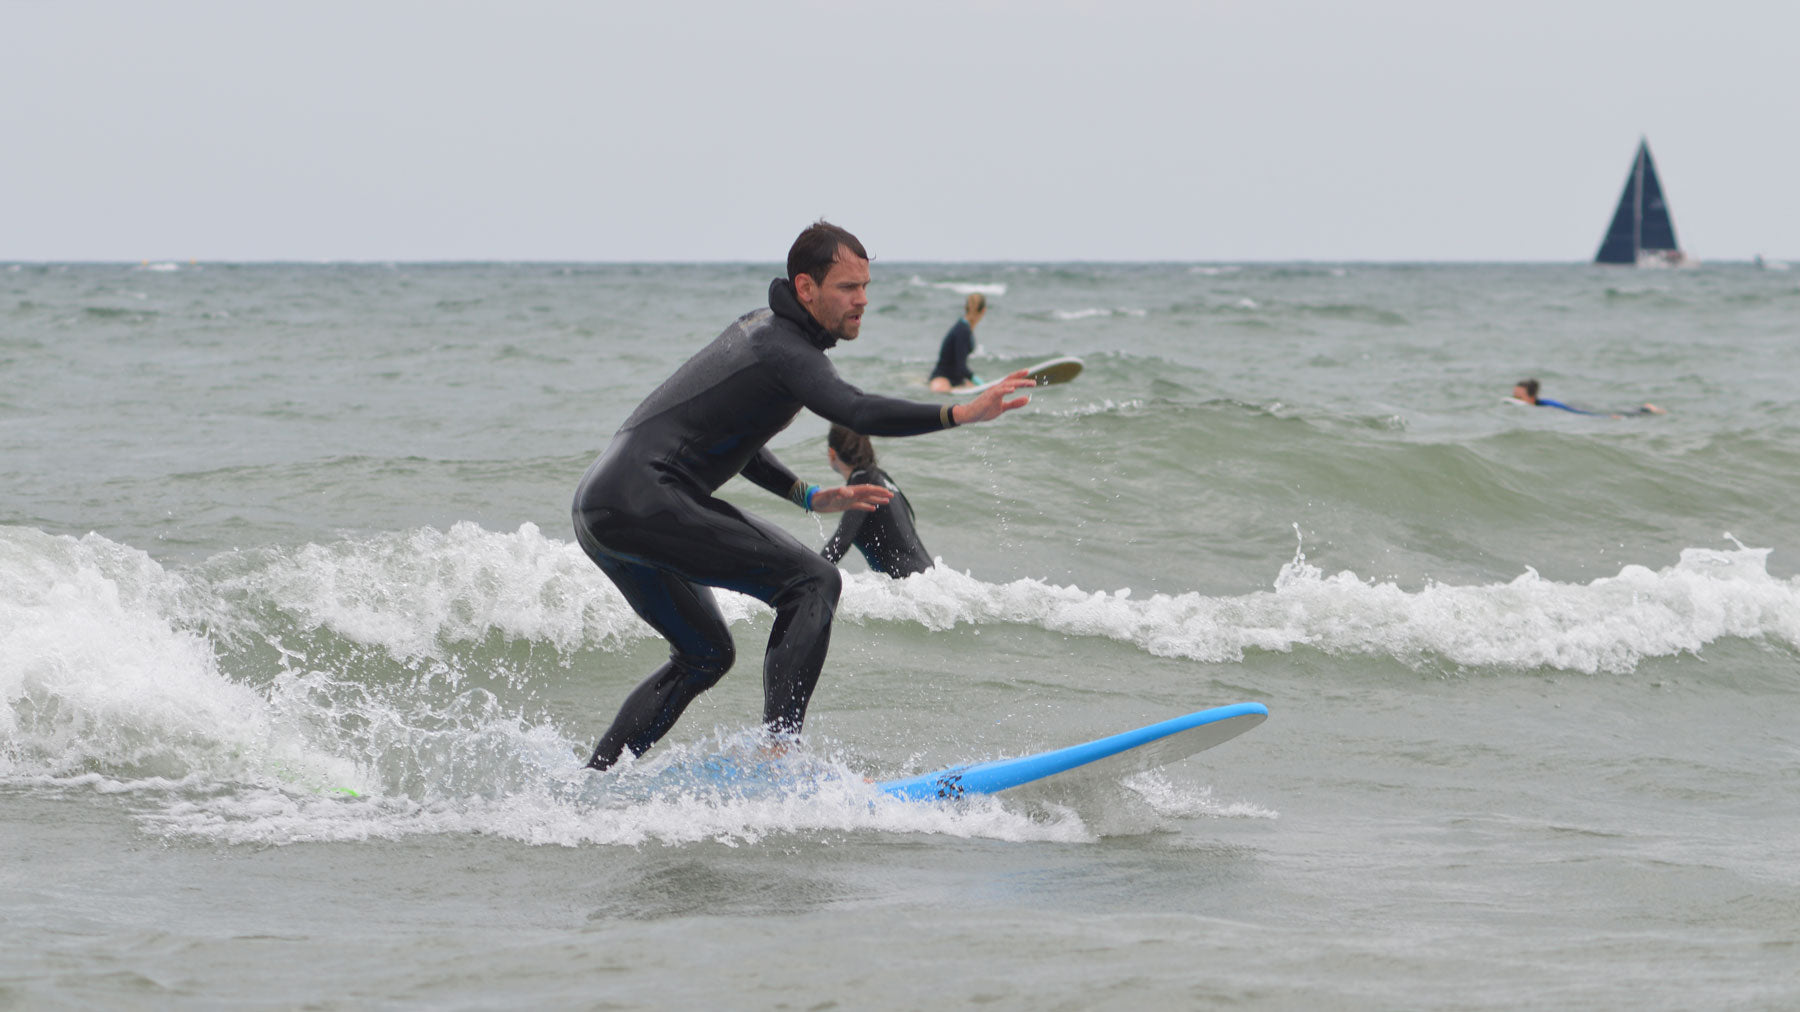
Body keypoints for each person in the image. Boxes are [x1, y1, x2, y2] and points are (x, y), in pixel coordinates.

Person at [572, 221, 1034, 771]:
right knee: (813, 582)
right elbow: (855, 410)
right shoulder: (780, 347)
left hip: (603, 508)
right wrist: (960, 411)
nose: (862, 301)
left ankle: (595, 779)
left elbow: (735, 438)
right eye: (847, 288)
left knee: (706, 655)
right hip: (645, 496)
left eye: (866, 286)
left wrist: (806, 495)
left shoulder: (766, 338)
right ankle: (779, 758)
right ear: (806, 287)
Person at [819, 425, 933, 578]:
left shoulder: (864, 489)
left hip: (908, 584)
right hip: (928, 577)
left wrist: (806, 578)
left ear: (832, 453)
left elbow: (839, 544)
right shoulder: (881, 479)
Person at [1510, 378, 1665, 417]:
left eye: (1519, 396)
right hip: (1575, 405)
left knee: (1620, 413)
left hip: (1577, 409)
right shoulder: (1533, 405)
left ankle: (1646, 409)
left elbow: (1576, 414)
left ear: (1531, 397)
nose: (1515, 398)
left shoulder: (1548, 405)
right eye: (1514, 395)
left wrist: (1605, 418)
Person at [928, 292, 987, 392]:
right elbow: (961, 367)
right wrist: (977, 380)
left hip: (955, 378)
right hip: (943, 377)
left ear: (966, 307)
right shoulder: (963, 331)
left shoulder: (963, 326)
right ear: (984, 311)